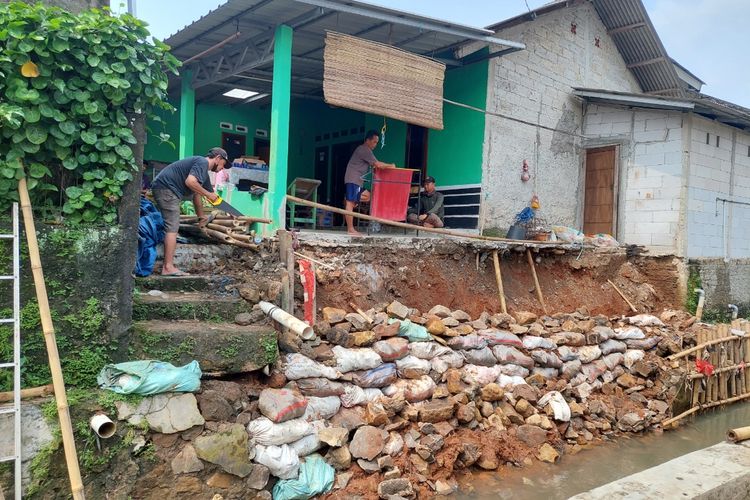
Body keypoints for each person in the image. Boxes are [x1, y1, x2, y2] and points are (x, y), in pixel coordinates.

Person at [151, 147, 229, 276]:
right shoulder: (202, 162)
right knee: (172, 228)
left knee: (170, 227)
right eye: (223, 164)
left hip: (164, 189)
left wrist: (201, 217)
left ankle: (166, 265)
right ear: (218, 158)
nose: (222, 168)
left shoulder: (203, 173)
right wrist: (208, 195)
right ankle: (168, 267)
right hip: (166, 189)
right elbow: (191, 182)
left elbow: (199, 195)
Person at [343, 130, 395, 235]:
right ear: (367, 140)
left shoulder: (365, 150)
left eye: (377, 142)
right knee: (350, 203)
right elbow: (377, 164)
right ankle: (350, 229)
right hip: (353, 179)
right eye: (374, 142)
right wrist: (391, 166)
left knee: (367, 196)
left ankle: (352, 199)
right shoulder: (363, 149)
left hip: (357, 181)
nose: (375, 145)